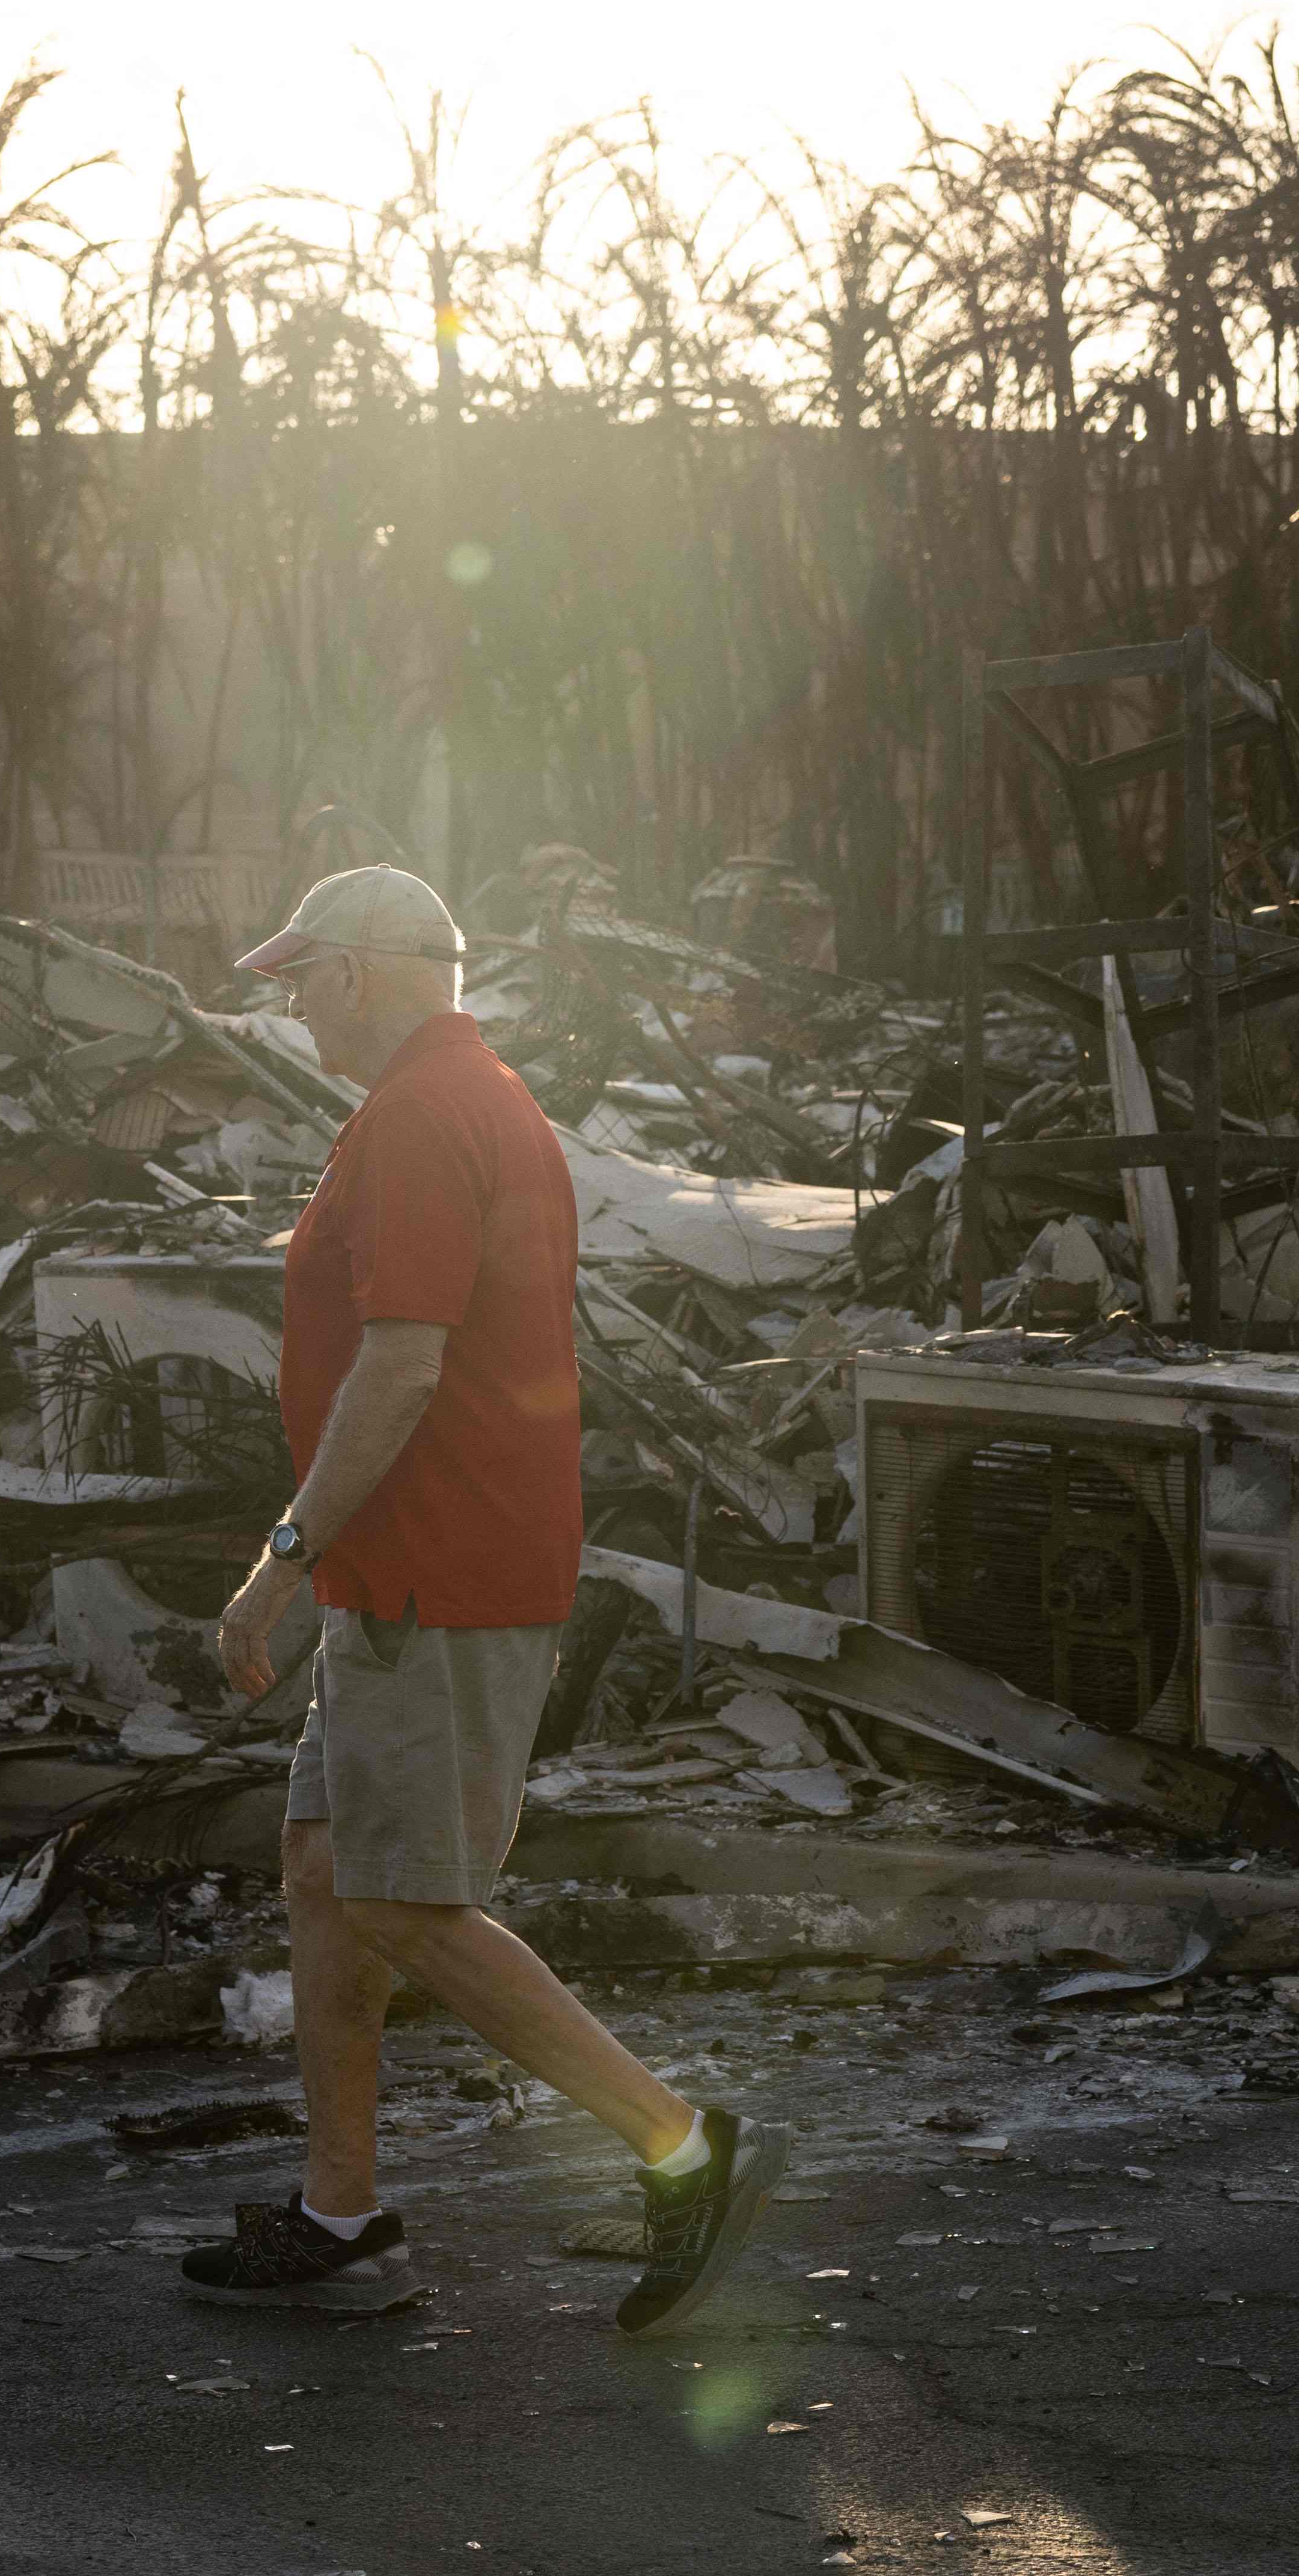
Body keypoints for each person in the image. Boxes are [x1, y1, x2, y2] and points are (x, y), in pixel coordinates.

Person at [176, 864, 783, 2334]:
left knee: (402, 1897)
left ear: (369, 972)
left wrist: (279, 1566)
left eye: (303, 972)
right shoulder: (460, 1097)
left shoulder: (423, 1115)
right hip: (416, 1566)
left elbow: (402, 1365)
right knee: (328, 1868)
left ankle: (684, 2147)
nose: (292, 999)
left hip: (432, 1578)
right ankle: (342, 2220)